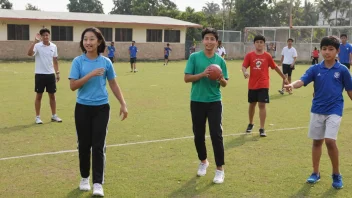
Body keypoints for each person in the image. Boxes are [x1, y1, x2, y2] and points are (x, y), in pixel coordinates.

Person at [284, 36, 352, 189]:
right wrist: (292, 86)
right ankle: (315, 172)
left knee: (330, 141)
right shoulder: (316, 69)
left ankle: (336, 174)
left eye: (331, 49)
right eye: (324, 49)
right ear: (320, 50)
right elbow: (302, 81)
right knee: (317, 142)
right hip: (317, 109)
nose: (327, 52)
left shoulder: (342, 70)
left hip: (334, 109)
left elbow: (350, 90)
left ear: (337, 51)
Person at [68, 27, 128, 196]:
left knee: (98, 145)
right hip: (82, 107)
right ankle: (84, 178)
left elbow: (113, 84)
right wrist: (91, 75)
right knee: (84, 145)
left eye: (92, 39)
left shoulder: (106, 62)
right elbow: (73, 86)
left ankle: (98, 183)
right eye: (85, 39)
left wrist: (123, 104)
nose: (88, 42)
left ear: (99, 41)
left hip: (102, 108)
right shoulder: (78, 62)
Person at [184, 27, 229, 184]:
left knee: (216, 134)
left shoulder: (220, 61)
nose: (209, 41)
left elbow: (225, 84)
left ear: (216, 42)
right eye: (207, 38)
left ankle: (219, 169)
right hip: (197, 100)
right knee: (198, 134)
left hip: (214, 101)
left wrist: (220, 79)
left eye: (212, 39)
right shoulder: (194, 58)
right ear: (203, 41)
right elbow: (186, 78)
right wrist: (203, 74)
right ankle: (203, 161)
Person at [242, 35, 289, 137]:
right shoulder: (249, 55)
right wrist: (245, 72)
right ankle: (251, 123)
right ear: (254, 44)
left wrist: (284, 78)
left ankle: (262, 128)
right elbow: (244, 66)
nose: (259, 44)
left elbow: (275, 67)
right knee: (252, 104)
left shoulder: (267, 56)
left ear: (264, 44)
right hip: (252, 85)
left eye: (261, 42)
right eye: (257, 42)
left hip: (263, 84)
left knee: (262, 105)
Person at [27, 28, 62, 124]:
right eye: (44, 35)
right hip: (40, 74)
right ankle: (38, 117)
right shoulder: (37, 46)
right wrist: (34, 41)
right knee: (39, 96)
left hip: (50, 75)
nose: (46, 37)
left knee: (52, 96)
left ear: (49, 36)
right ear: (41, 37)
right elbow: (29, 53)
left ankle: (54, 115)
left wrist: (57, 73)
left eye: (47, 35)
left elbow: (55, 60)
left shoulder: (54, 46)